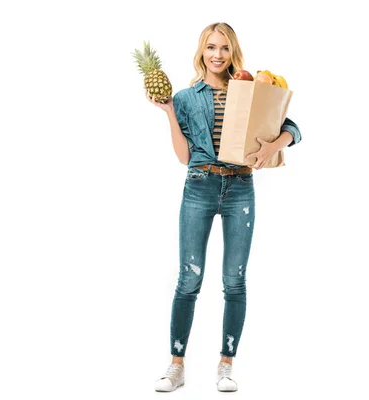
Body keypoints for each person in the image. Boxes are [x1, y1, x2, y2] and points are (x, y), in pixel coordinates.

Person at [146, 22, 302, 392]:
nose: (217, 55)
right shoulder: (186, 97)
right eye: (211, 47)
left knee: (234, 280)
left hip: (240, 189)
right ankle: (176, 364)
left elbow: (294, 128)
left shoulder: (249, 89)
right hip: (199, 185)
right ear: (202, 51)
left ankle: (226, 365)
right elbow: (185, 157)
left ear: (234, 53)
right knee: (189, 278)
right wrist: (169, 111)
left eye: (225, 48)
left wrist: (270, 147)